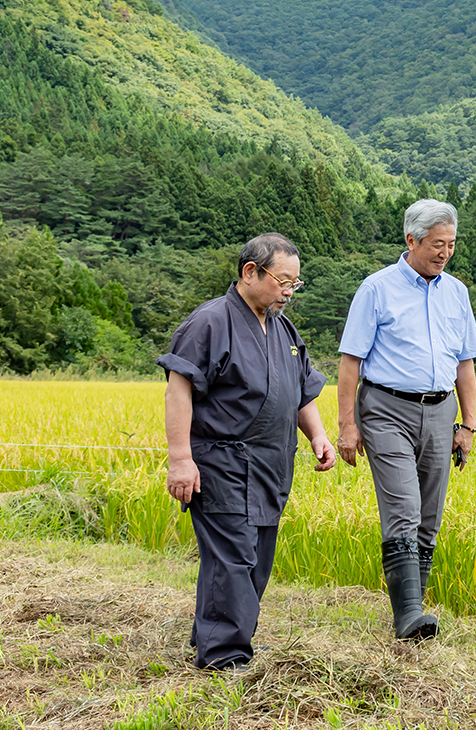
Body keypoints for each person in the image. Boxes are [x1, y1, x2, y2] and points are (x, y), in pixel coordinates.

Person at [158, 232, 336, 671]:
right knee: (232, 558)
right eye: (283, 282)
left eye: (295, 284)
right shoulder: (211, 321)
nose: (289, 293)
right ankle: (224, 656)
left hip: (271, 464)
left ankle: (216, 636)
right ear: (250, 272)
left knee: (255, 558)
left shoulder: (283, 327)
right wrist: (180, 457)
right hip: (222, 461)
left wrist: (318, 435)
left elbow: (300, 390)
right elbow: (179, 387)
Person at [336, 199, 476, 639]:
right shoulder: (376, 288)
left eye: (451, 245)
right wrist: (347, 425)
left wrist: (468, 424)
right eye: (437, 244)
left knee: (430, 514)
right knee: (403, 506)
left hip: (441, 413)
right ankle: (408, 615)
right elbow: (349, 362)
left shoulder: (456, 292)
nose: (444, 252)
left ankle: (414, 608)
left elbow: (465, 365)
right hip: (385, 409)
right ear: (411, 240)